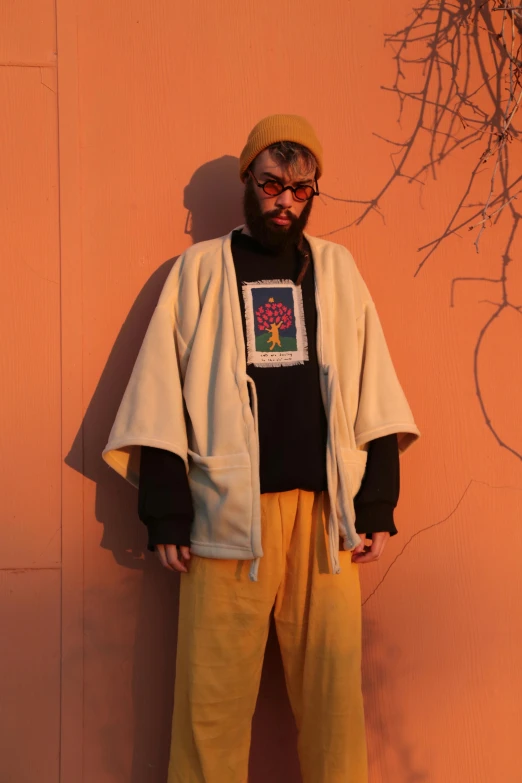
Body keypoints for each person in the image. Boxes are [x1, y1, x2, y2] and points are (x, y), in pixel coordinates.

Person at [102, 114, 420, 783]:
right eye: (273, 183)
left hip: (323, 521)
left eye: (302, 189)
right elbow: (163, 386)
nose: (286, 200)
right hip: (224, 520)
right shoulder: (198, 271)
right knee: (207, 707)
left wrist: (377, 501)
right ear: (249, 180)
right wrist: (166, 510)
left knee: (335, 709)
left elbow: (374, 386)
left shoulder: (336, 269)